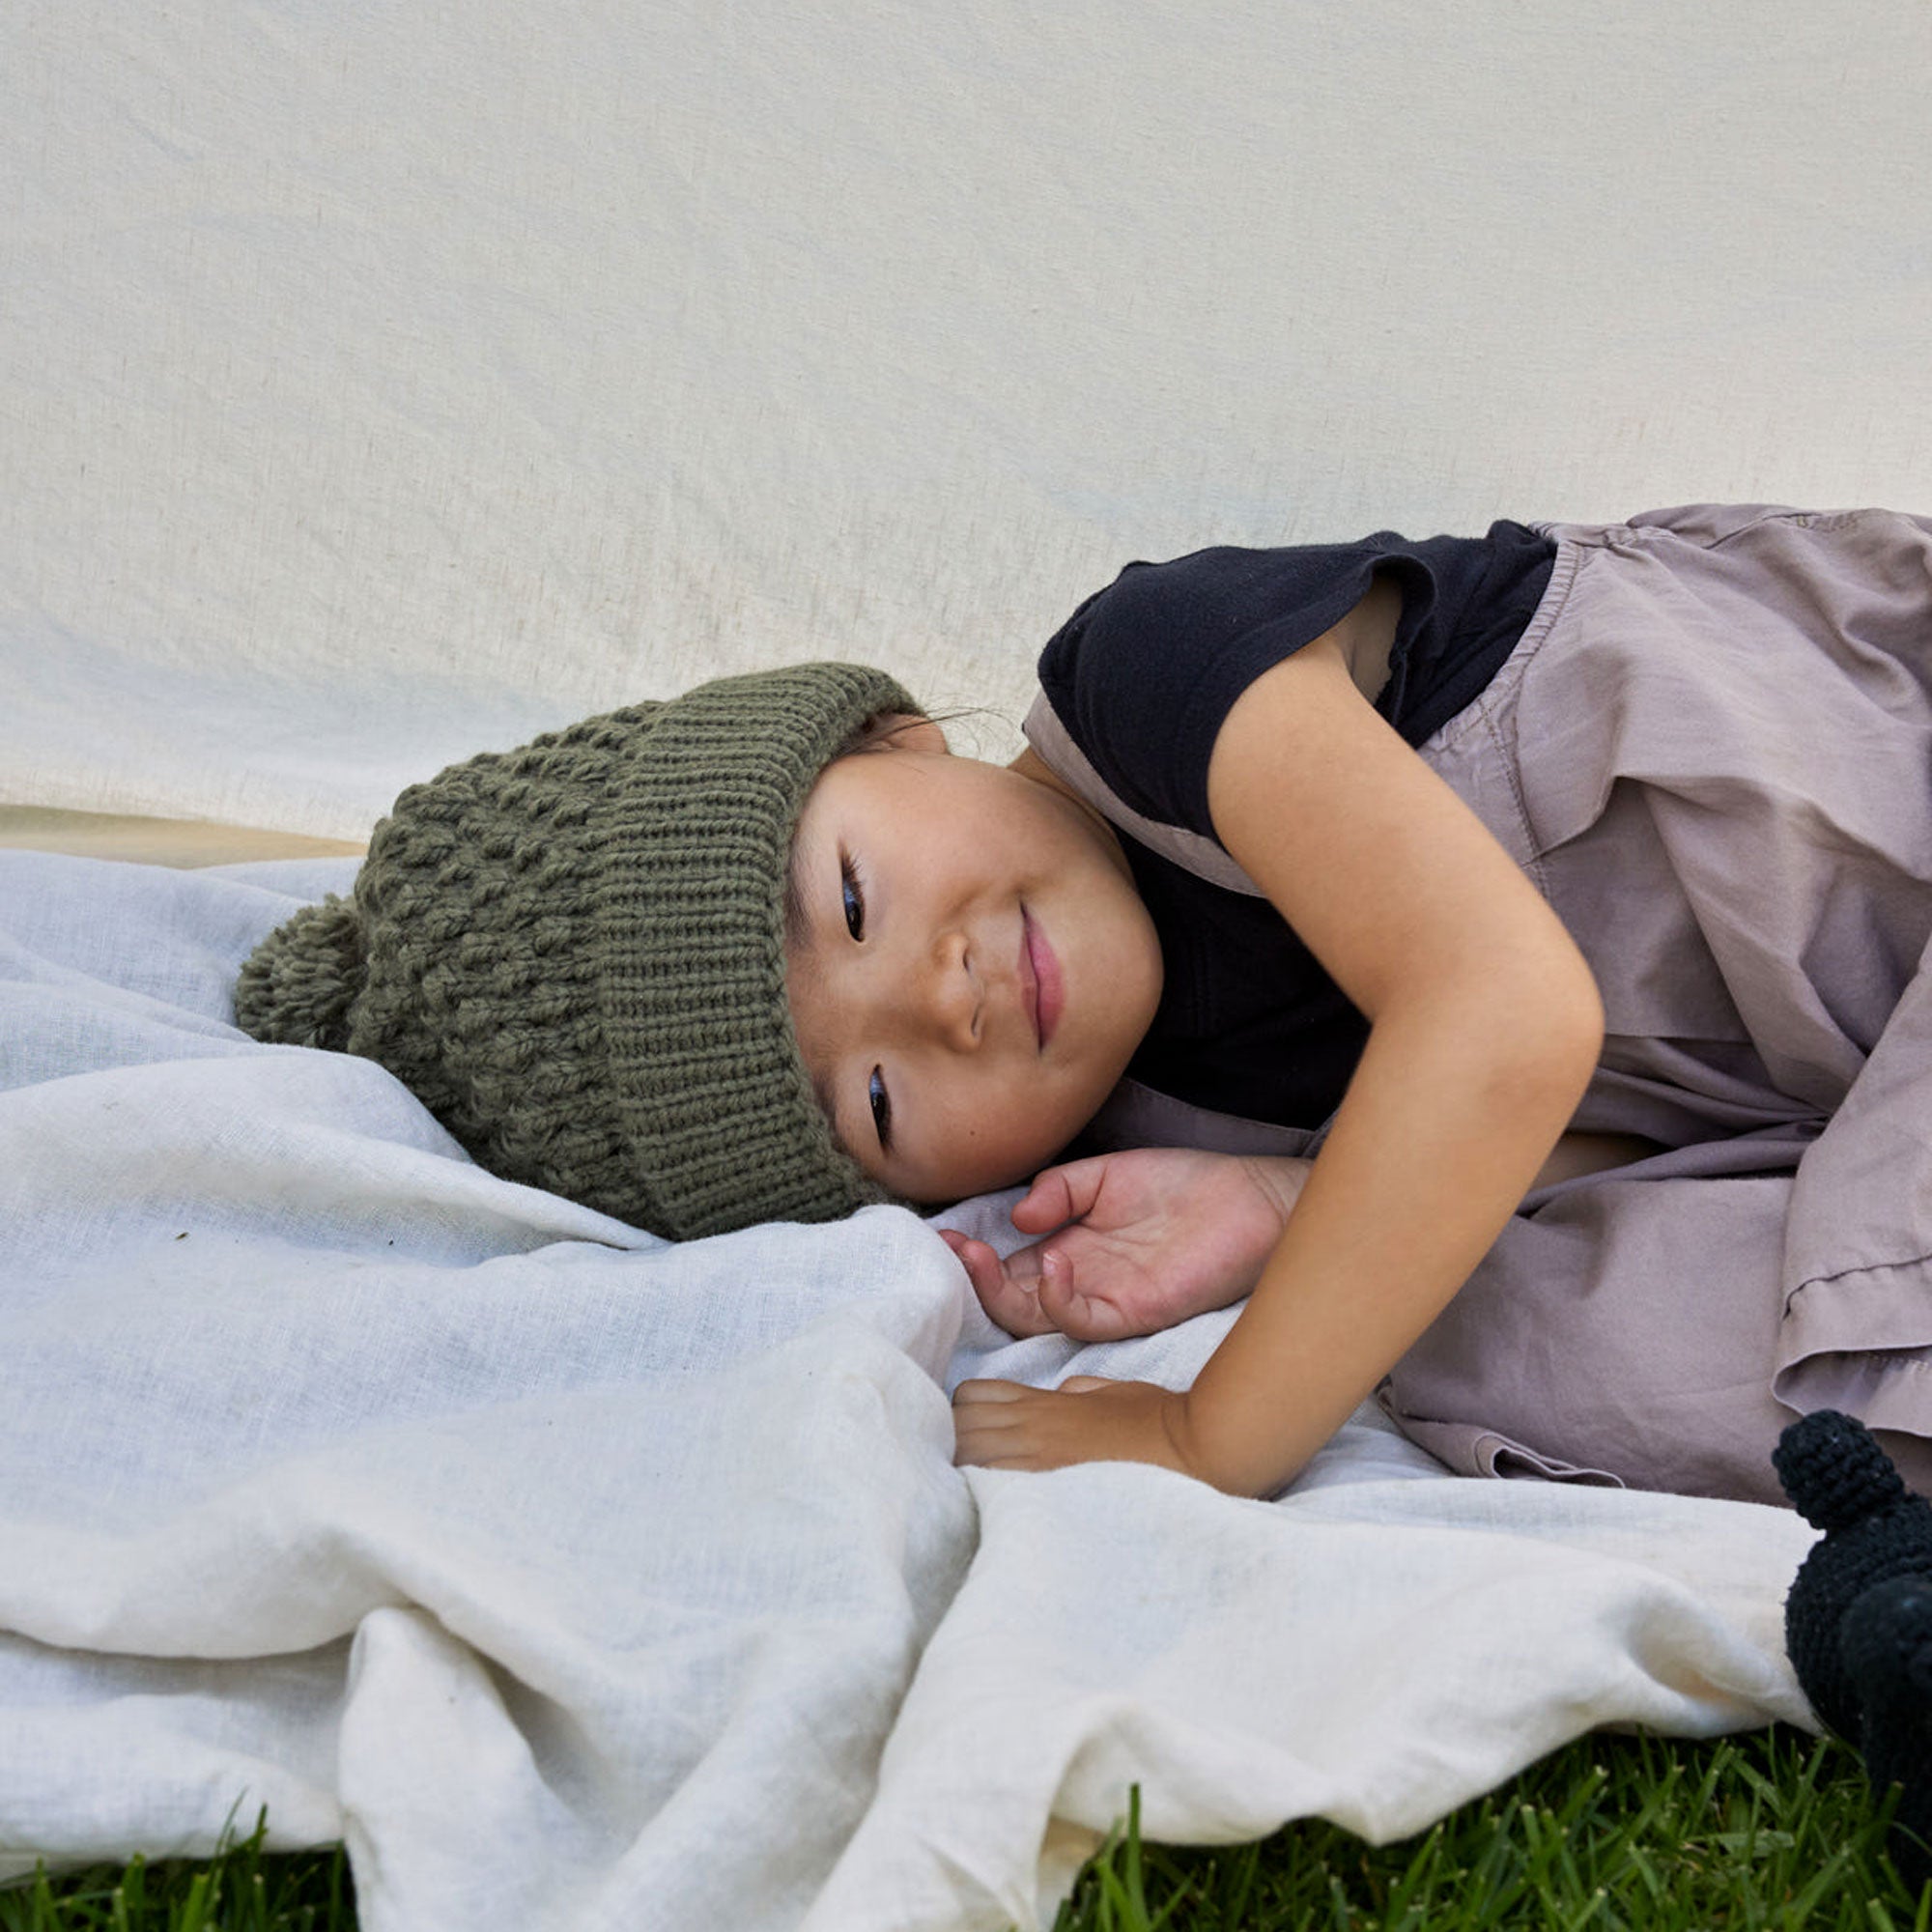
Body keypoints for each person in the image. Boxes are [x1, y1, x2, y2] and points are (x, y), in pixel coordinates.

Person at [235, 502, 1932, 1517]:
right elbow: (1645, 1108)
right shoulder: (1142, 1110)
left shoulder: (1157, 681)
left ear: (892, 734)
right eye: (880, 1102)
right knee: (1520, 1355)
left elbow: (1503, 1013)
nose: (938, 996)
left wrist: (1210, 1432)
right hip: (1845, 1094)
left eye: (848, 900)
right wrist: (1284, 1203)